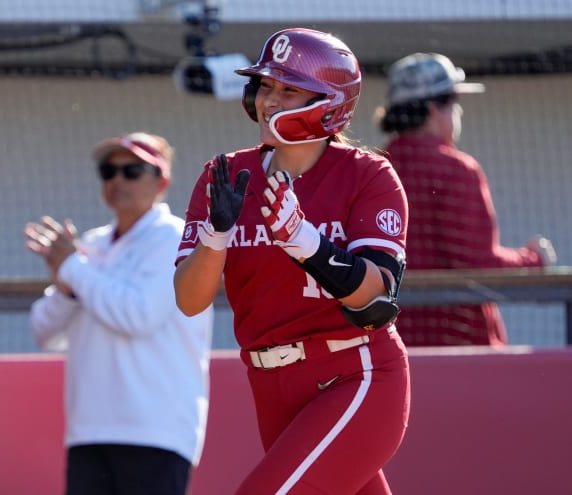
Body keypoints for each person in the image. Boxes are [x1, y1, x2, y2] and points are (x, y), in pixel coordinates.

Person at [174, 28, 410, 495]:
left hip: (355, 372)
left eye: (288, 90)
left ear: (329, 101)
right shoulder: (224, 175)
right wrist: (215, 235)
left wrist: (303, 240)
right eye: (265, 86)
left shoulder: (368, 174)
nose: (268, 101)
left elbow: (379, 295)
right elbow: (188, 300)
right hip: (270, 384)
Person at [24, 132, 213, 495]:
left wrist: (73, 270)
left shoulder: (176, 238)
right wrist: (67, 288)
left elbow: (138, 316)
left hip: (156, 431)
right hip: (88, 430)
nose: (117, 180)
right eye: (108, 170)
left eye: (133, 170)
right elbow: (44, 333)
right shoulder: (91, 245)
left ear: (163, 181)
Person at [375, 52, 557, 346]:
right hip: (459, 345)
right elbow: (479, 264)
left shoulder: (372, 167)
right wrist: (533, 260)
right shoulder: (456, 170)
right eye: (454, 103)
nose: (458, 113)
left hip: (386, 346)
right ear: (435, 107)